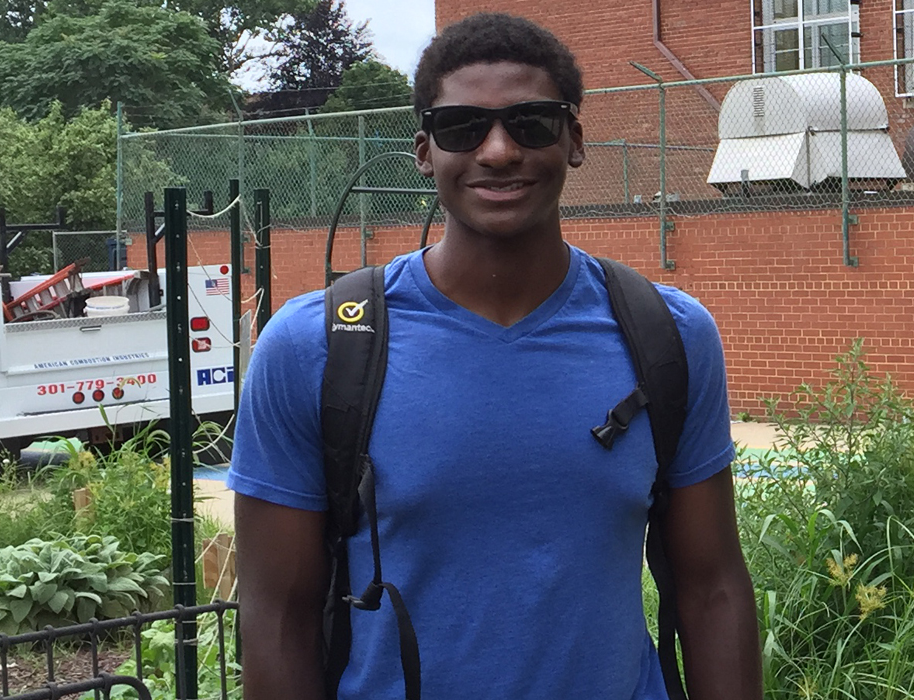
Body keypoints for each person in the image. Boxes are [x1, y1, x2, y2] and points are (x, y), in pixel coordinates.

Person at [231, 13, 762, 699]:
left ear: (575, 139)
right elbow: (278, 617)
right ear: (424, 151)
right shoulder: (317, 347)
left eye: (532, 122)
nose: (500, 150)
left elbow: (712, 588)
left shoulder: (668, 335)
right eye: (462, 127)